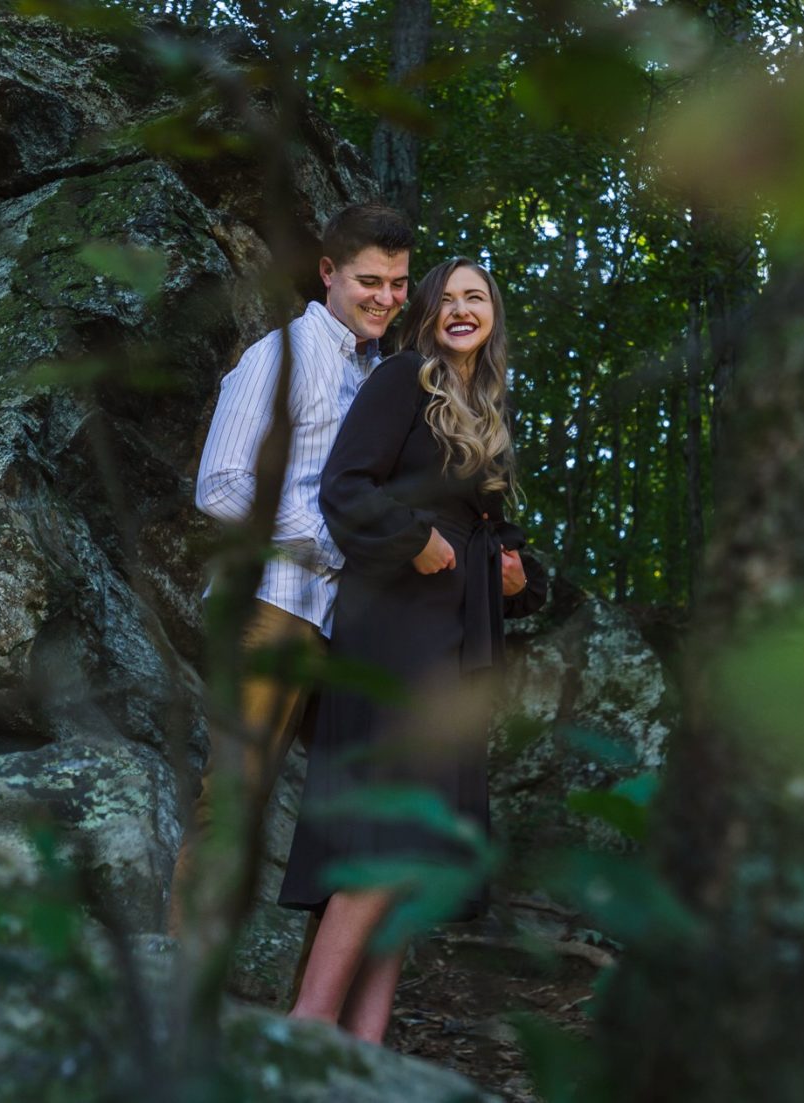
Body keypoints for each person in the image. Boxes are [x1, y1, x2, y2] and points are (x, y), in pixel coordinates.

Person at [277, 256, 548, 1043]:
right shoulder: (402, 380)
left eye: (478, 298)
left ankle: (364, 1052)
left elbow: (494, 541)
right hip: (394, 625)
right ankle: (306, 1026)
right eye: (449, 299)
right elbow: (346, 487)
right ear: (426, 313)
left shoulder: (485, 406)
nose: (463, 309)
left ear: (493, 315)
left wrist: (516, 574)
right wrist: (415, 538)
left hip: (455, 637)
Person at [169, 203, 414, 939]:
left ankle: (306, 1020)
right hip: (273, 606)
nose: (386, 298)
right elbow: (218, 483)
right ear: (329, 272)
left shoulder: (380, 375)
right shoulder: (282, 356)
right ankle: (176, 984)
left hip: (347, 628)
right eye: (371, 280)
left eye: (400, 284)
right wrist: (321, 541)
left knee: (353, 820)